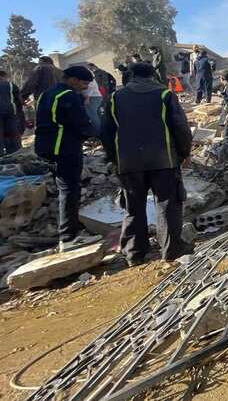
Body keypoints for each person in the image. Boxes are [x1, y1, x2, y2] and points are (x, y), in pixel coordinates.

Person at [101, 63, 192, 267]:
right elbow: (181, 127)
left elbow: (106, 132)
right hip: (164, 160)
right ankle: (171, 250)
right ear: (153, 76)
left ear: (131, 75)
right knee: (167, 204)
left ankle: (134, 253)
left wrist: (115, 158)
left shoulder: (116, 97)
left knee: (133, 208)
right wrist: (184, 153)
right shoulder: (164, 95)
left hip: (129, 163)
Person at [34, 66, 99, 252]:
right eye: (84, 83)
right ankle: (69, 237)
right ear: (73, 80)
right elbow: (80, 122)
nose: (85, 87)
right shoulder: (68, 96)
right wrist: (95, 135)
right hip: (64, 148)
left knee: (64, 187)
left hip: (47, 148)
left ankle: (69, 232)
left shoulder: (48, 94)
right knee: (70, 189)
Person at [0, 70, 22, 155]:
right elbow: (19, 99)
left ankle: (1, 154)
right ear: (3, 76)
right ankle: (14, 152)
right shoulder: (10, 85)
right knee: (12, 132)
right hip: (10, 112)